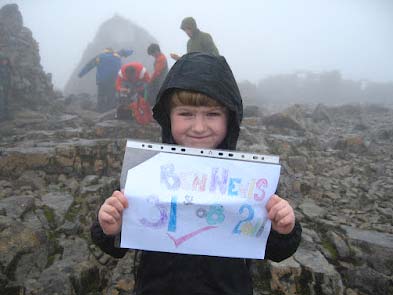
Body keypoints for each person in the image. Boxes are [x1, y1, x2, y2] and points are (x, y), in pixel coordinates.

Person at [91, 52, 302, 295]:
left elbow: (276, 250)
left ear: (230, 117)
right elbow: (116, 246)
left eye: (213, 114)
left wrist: (284, 229)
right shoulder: (147, 171)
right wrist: (109, 227)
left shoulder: (250, 180)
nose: (199, 127)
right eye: (186, 114)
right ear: (167, 116)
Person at [78, 48, 133, 112]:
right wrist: (132, 51)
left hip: (102, 80)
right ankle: (111, 110)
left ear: (105, 51)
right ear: (112, 51)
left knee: (101, 95)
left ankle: (100, 110)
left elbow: (89, 65)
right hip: (114, 79)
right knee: (111, 95)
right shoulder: (117, 54)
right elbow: (125, 51)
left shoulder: (99, 56)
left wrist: (81, 74)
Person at [0, 53, 12, 121]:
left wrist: (10, 86)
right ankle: (1, 116)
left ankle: (7, 116)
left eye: (6, 60)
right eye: (4, 60)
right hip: (1, 87)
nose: (5, 61)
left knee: (6, 101)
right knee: (1, 101)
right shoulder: (1, 68)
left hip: (7, 87)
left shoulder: (8, 68)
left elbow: (9, 78)